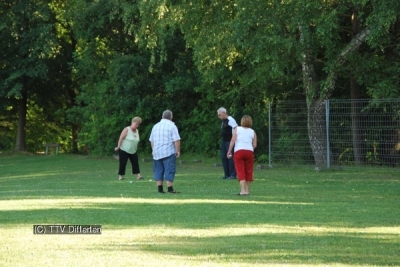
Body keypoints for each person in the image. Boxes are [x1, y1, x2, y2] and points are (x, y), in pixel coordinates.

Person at [149, 110, 181, 193]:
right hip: (168, 151)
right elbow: (176, 140)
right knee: (169, 169)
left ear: (162, 117)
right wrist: (178, 150)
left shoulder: (155, 126)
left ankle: (160, 189)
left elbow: (152, 141)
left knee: (158, 170)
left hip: (157, 152)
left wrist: (153, 150)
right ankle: (170, 189)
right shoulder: (172, 126)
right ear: (171, 117)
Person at [227, 115, 257, 195]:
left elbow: (233, 140)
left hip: (239, 151)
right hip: (249, 152)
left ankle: (242, 191)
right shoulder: (252, 131)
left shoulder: (237, 129)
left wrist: (229, 151)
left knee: (240, 170)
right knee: (248, 171)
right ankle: (247, 191)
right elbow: (254, 145)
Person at [217, 107, 238, 179]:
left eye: (219, 115)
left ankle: (232, 174)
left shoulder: (230, 120)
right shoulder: (223, 121)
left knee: (230, 157)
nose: (218, 116)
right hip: (224, 141)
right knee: (224, 157)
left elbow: (236, 128)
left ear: (224, 113)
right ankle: (227, 174)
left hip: (230, 141)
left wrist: (233, 139)